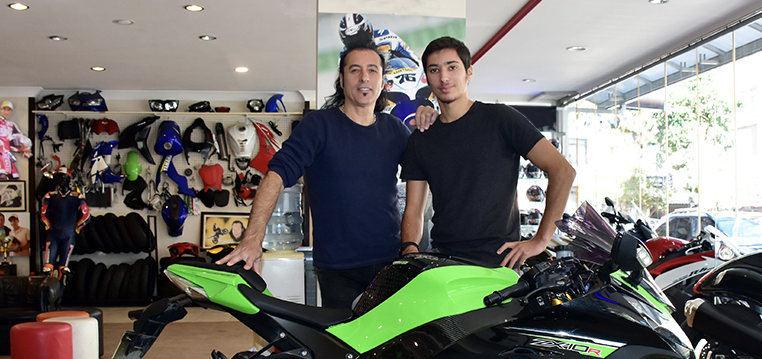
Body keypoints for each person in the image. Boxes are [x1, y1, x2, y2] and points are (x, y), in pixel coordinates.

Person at [218, 41, 432, 309]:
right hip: (337, 269)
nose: (364, 77)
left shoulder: (395, 130)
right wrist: (252, 239)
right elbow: (276, 175)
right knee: (342, 336)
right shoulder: (318, 126)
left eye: (372, 70)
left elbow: (426, 173)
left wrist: (433, 120)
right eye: (354, 70)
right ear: (341, 80)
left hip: (389, 263)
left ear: (382, 82)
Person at [400, 37, 576, 269]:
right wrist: (410, 248)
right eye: (435, 70)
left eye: (452, 67)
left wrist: (541, 240)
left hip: (501, 263)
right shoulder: (421, 139)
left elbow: (563, 170)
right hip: (445, 262)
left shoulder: (501, 119)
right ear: (427, 77)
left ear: (469, 72)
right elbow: (414, 210)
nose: (444, 78)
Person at [41, 167, 89, 274]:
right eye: (58, 177)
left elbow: (86, 215)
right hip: (53, 233)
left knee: (64, 268)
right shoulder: (50, 196)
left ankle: (62, 284)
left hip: (69, 234)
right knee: (48, 267)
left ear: (68, 179)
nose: (60, 180)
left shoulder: (77, 196)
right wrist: (48, 225)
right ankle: (48, 284)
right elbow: (43, 214)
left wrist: (78, 227)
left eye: (62, 177)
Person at [0, 101, 30, 180]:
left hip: (9, 154)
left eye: (9, 110)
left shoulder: (12, 124)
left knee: (15, 177)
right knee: (2, 177)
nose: (6, 112)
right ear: (1, 109)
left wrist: (26, 149)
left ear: (11, 111)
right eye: (4, 109)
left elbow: (21, 139)